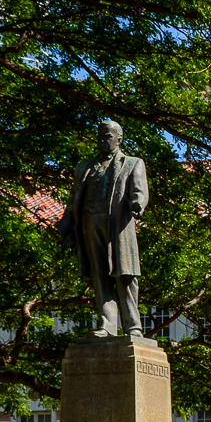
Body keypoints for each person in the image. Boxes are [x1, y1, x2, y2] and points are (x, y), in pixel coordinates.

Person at [58, 120, 148, 337]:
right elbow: (74, 200)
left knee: (124, 275)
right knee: (99, 274)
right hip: (90, 223)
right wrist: (67, 226)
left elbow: (139, 190)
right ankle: (107, 325)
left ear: (119, 138)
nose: (103, 139)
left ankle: (132, 325)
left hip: (117, 226)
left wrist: (137, 203)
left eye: (107, 135)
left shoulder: (132, 162)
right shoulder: (84, 167)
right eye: (100, 135)